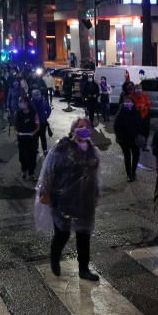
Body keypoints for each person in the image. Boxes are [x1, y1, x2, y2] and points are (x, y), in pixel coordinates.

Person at [38, 118, 101, 282]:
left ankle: (84, 268)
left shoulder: (92, 150)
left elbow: (96, 176)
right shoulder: (62, 148)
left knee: (84, 235)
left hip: (85, 200)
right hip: (64, 200)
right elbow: (49, 171)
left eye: (87, 127)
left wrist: (96, 195)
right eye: (81, 127)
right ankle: (54, 257)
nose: (84, 129)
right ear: (73, 130)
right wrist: (45, 191)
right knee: (62, 234)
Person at [114, 96, 145, 182]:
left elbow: (141, 125)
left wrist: (140, 134)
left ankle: (133, 171)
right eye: (126, 102)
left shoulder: (136, 112)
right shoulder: (120, 114)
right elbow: (116, 127)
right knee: (127, 156)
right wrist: (120, 137)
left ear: (133, 103)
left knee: (136, 156)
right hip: (125, 140)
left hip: (135, 139)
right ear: (123, 104)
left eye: (129, 102)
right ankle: (128, 174)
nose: (128, 103)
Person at [14, 95, 41, 180]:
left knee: (32, 156)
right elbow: (15, 127)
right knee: (23, 157)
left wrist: (33, 132)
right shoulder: (17, 113)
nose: (21, 104)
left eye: (23, 102)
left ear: (27, 103)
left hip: (32, 139)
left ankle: (31, 173)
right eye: (20, 102)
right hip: (22, 139)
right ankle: (24, 170)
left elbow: (38, 125)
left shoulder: (33, 113)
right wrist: (17, 133)